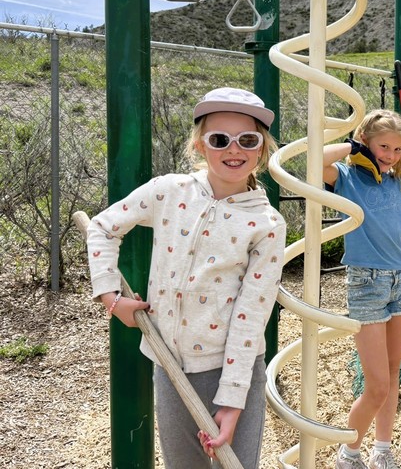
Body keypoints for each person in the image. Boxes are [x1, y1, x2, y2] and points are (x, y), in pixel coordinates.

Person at [87, 87, 286, 468]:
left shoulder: (267, 224)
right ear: (199, 145)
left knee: (236, 463)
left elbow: (252, 312)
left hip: (232, 369)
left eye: (247, 140)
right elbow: (103, 227)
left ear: (261, 149)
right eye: (219, 139)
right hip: (170, 364)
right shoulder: (169, 191)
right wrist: (111, 296)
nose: (234, 150)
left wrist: (232, 398)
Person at [323, 109, 401, 469]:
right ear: (366, 142)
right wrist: (352, 147)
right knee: (376, 384)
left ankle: (383, 449)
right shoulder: (346, 176)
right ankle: (348, 451)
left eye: (396, 148)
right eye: (382, 146)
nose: (389, 155)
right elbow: (314, 160)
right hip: (367, 283)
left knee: (392, 375)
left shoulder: (400, 182)